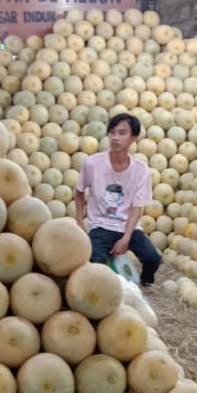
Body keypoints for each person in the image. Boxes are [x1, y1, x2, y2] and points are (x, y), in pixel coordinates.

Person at [75, 112, 161, 286]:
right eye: (112, 132)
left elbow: (137, 208)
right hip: (101, 225)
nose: (115, 138)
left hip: (128, 226)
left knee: (153, 259)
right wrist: (79, 223)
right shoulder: (92, 164)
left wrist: (126, 238)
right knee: (94, 262)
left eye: (122, 133)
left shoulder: (140, 170)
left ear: (133, 138)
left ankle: (145, 283)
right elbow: (79, 192)